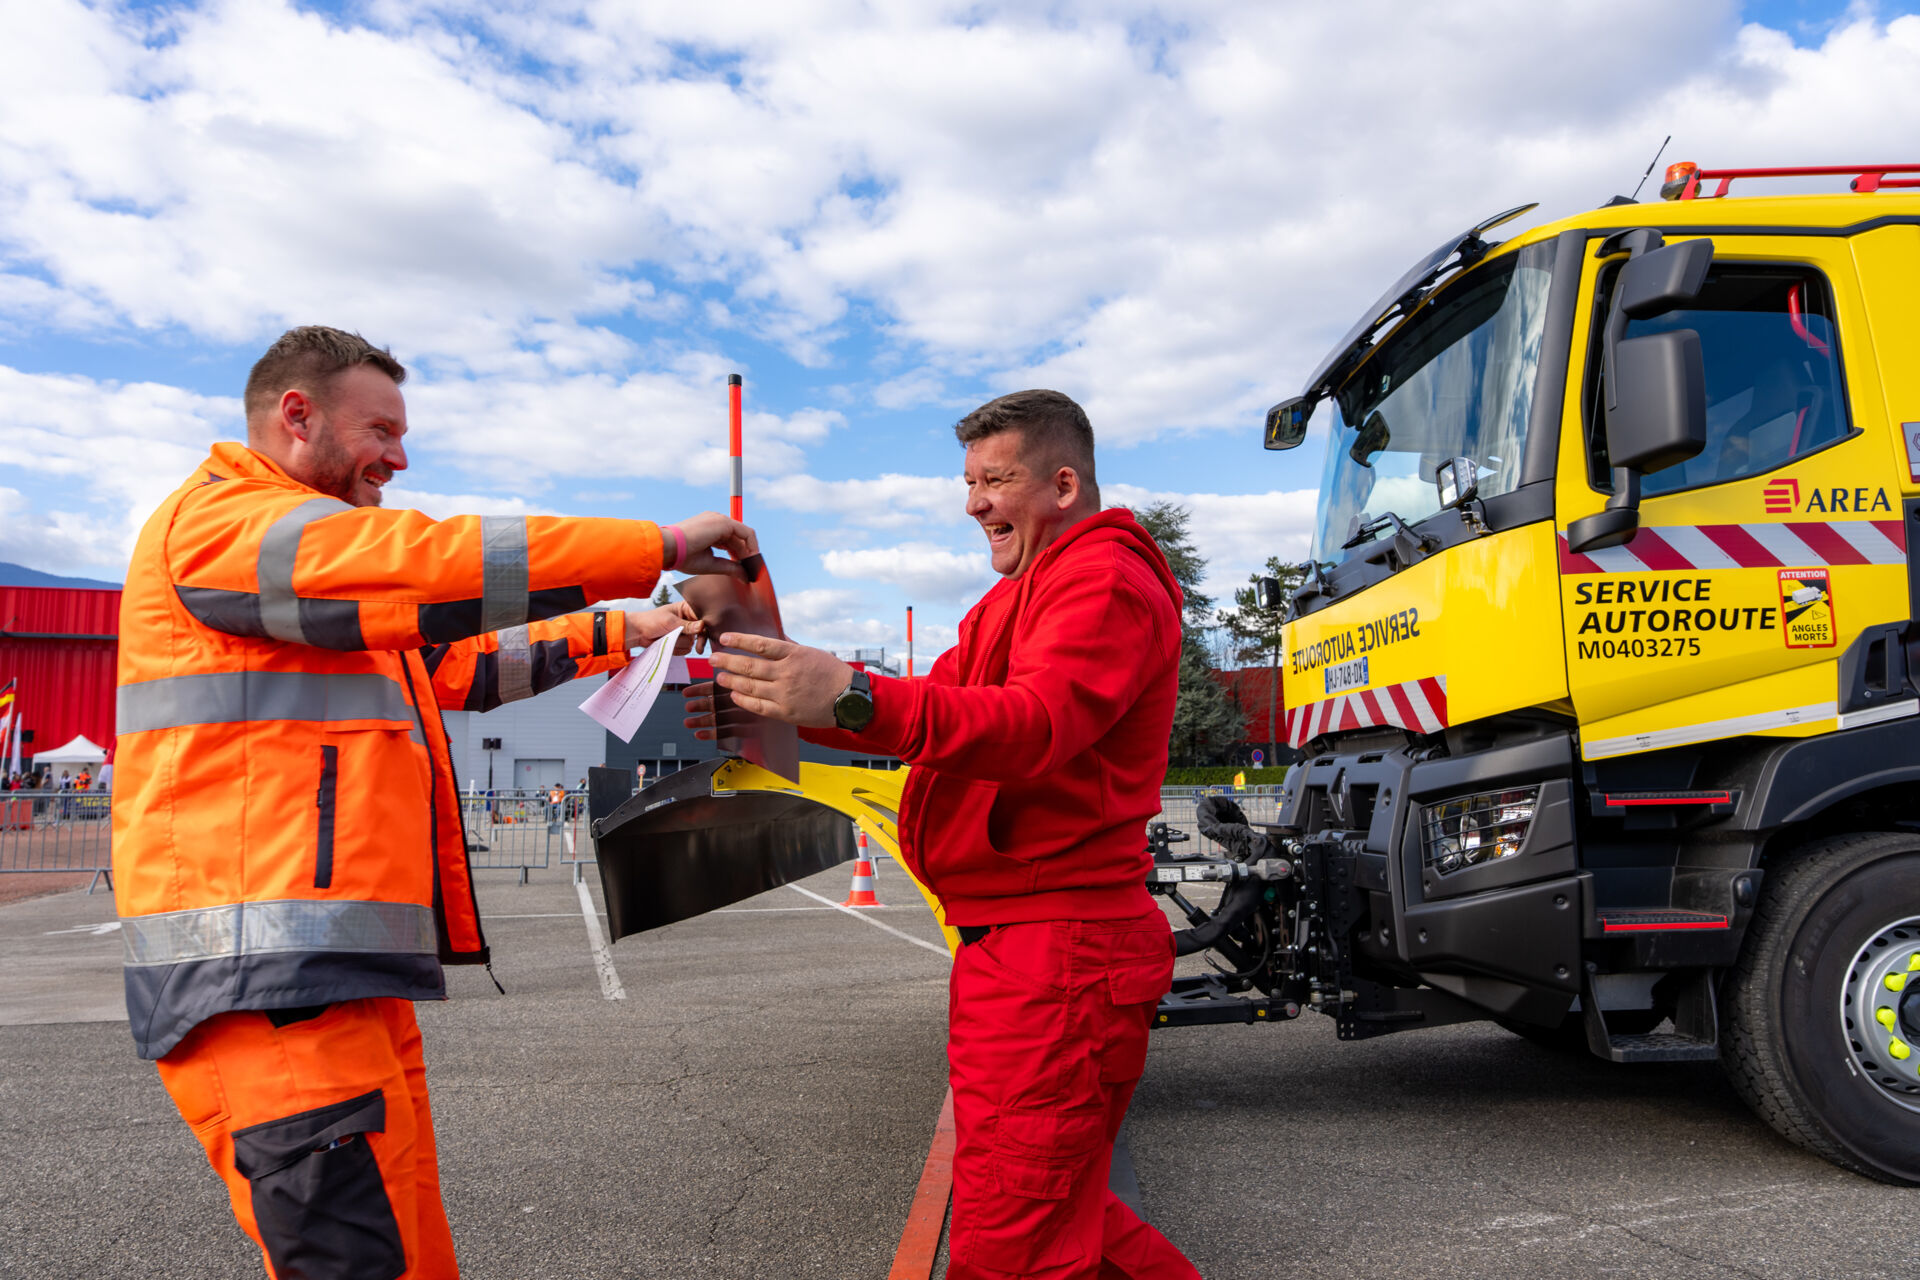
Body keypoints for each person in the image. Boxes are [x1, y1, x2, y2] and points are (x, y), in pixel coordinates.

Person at [113, 325, 756, 1280]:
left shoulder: (316, 584)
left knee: (414, 1259)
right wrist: (654, 546)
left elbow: (467, 663)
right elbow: (429, 565)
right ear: (297, 416)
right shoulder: (225, 525)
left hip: (336, 983)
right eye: (381, 429)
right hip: (267, 993)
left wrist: (634, 623)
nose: (398, 458)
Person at [688, 389, 1199, 1278]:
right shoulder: (1020, 597)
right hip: (1029, 948)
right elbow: (945, 702)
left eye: (994, 480)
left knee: (1014, 1237)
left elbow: (1034, 725)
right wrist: (767, 699)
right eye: (969, 482)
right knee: (1060, 1208)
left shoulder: (1102, 579)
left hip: (1055, 953)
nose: (973, 504)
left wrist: (845, 691)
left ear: (1064, 484)